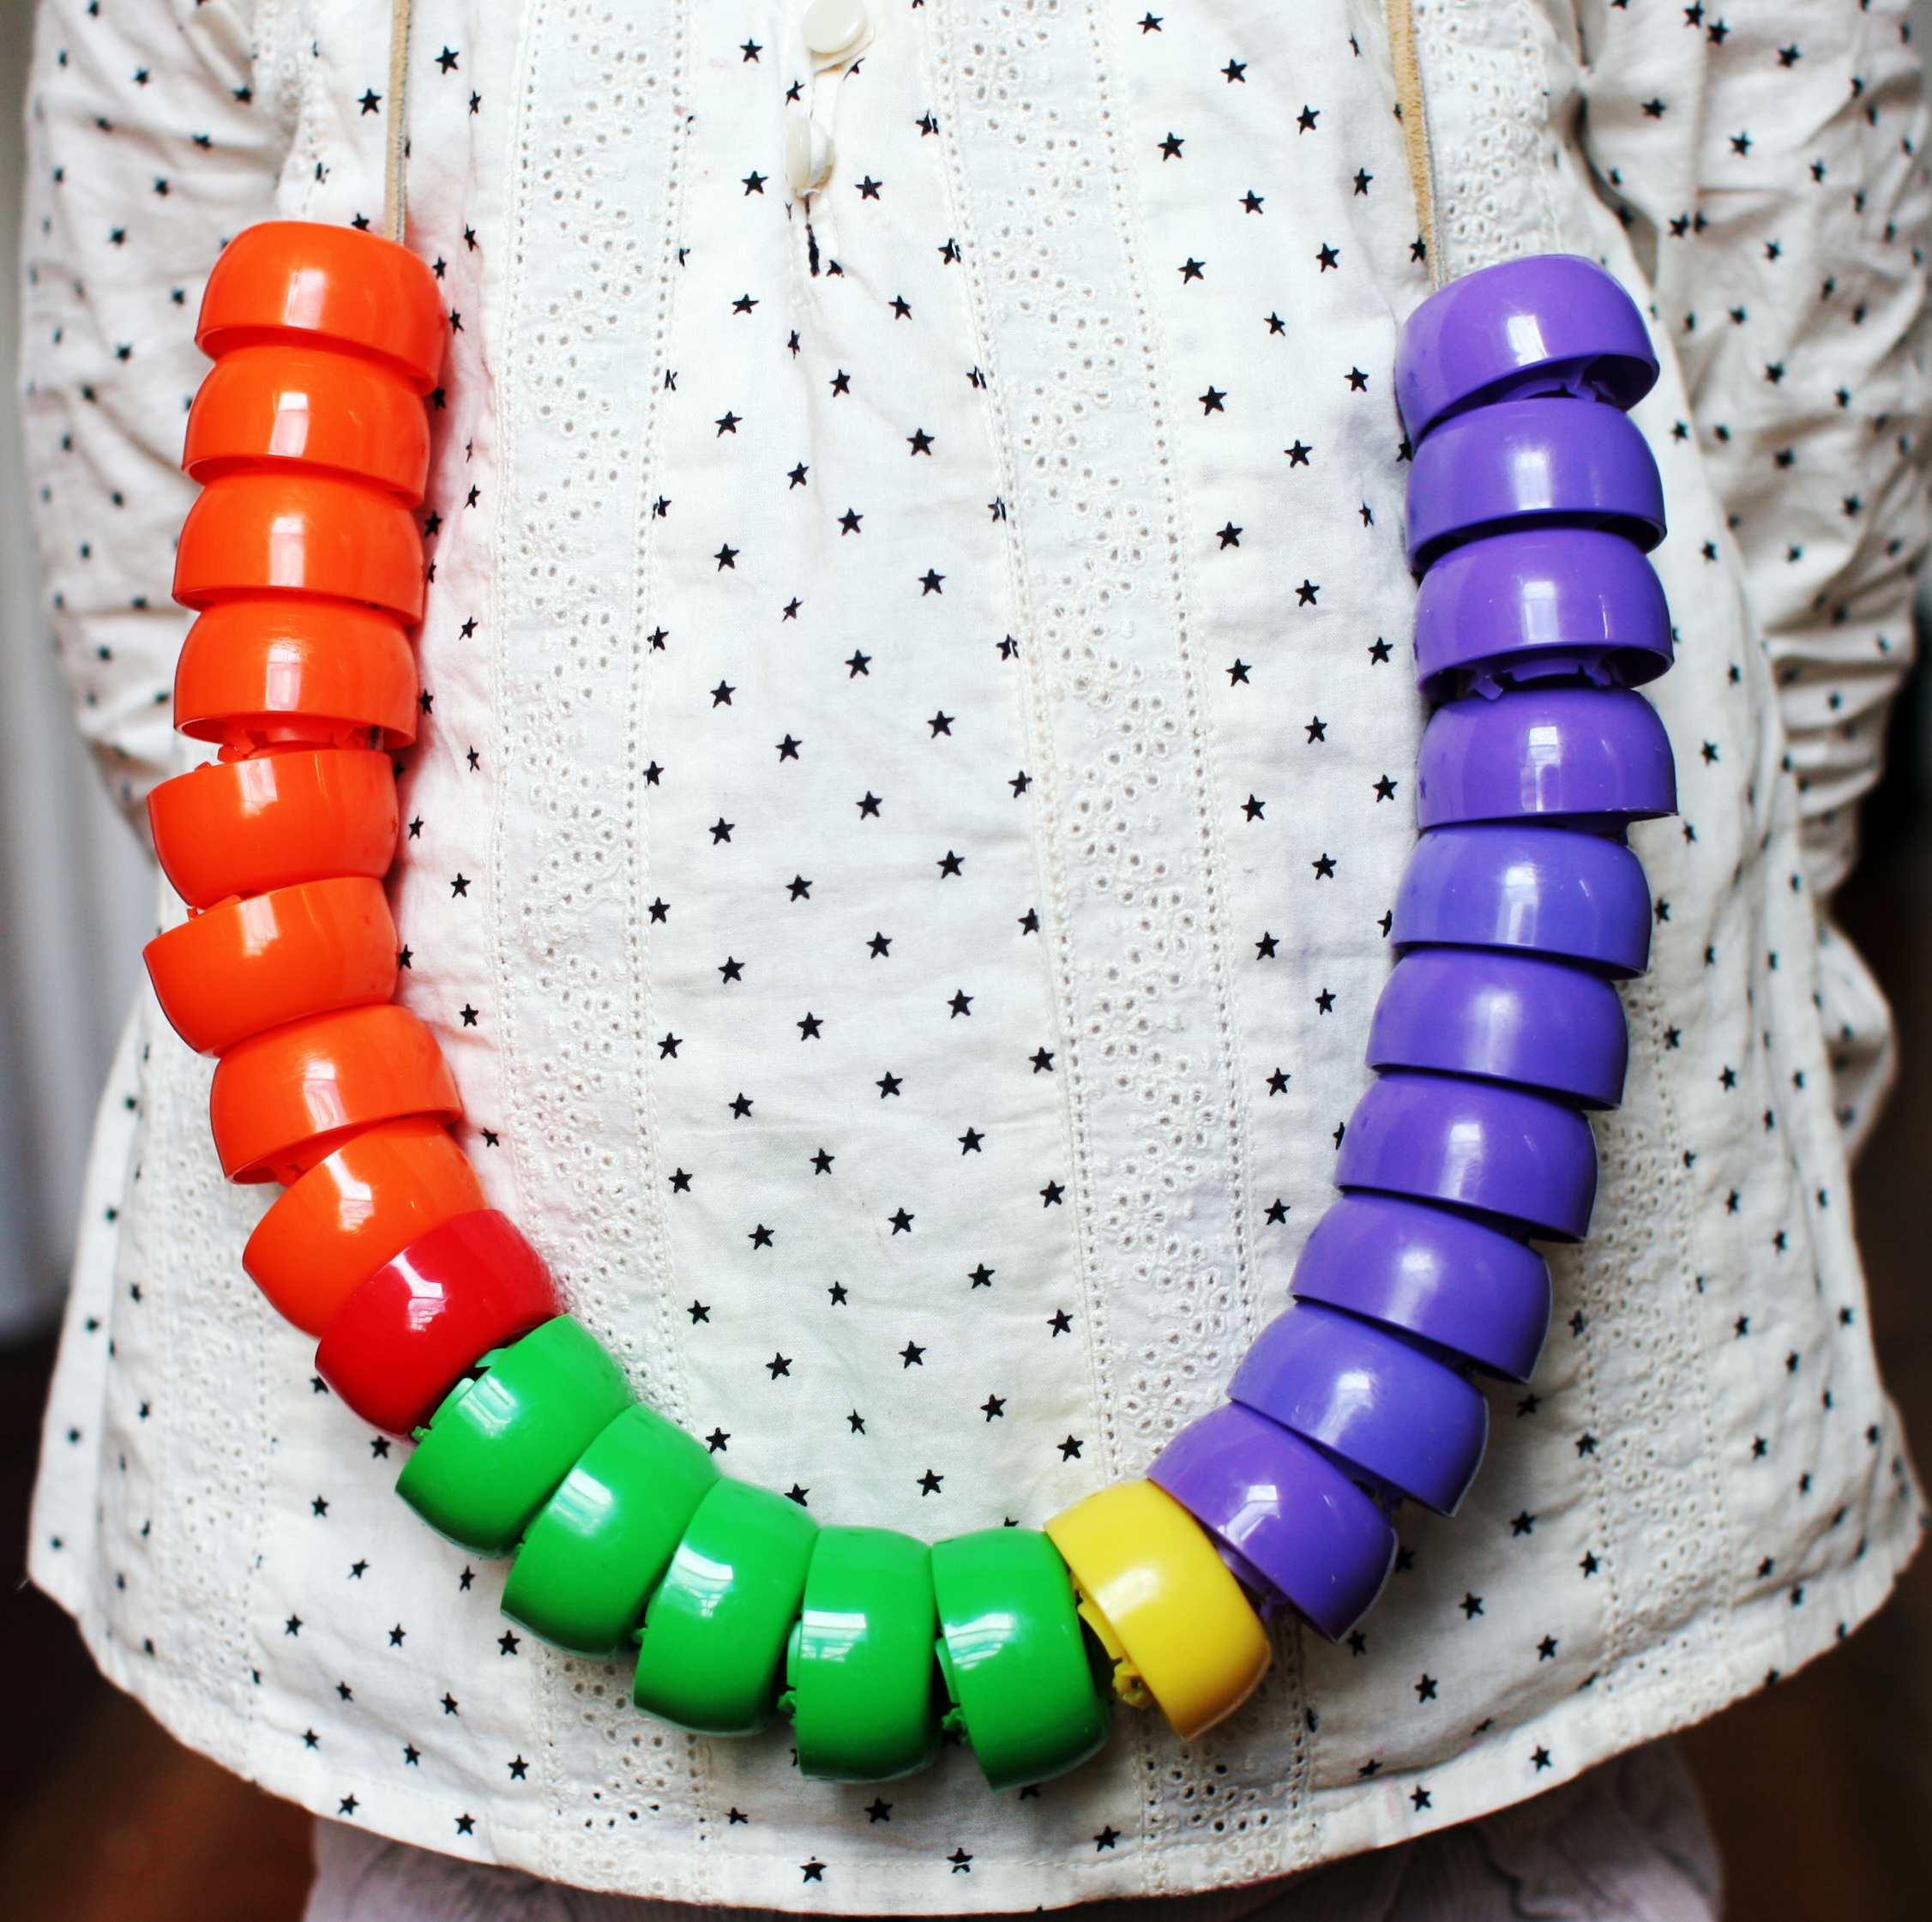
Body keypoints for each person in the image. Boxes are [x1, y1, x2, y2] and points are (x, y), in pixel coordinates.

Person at [20, 0, 1929, 1915]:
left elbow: (1788, 322)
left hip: (1471, 1525)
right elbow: (154, 442)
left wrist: (1654, 911)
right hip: (464, 1514)